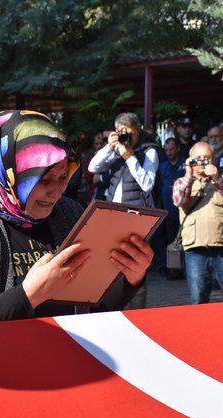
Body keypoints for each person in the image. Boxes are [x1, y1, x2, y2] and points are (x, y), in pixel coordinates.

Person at [0, 110, 153, 323]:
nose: (57, 191)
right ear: (7, 172)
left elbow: (95, 307)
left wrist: (132, 277)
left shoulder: (70, 213)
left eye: (63, 177)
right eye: (43, 179)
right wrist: (29, 295)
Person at [88, 112, 160, 309]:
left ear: (139, 132)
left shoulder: (148, 151)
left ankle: (137, 312)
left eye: (130, 133)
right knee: (111, 264)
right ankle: (112, 307)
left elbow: (147, 184)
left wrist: (130, 157)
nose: (126, 137)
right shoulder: (115, 149)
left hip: (138, 219)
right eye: (121, 132)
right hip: (113, 217)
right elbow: (93, 167)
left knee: (136, 268)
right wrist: (109, 146)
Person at [172, 142, 223, 304]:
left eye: (207, 158)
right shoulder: (181, 182)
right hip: (195, 248)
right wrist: (189, 175)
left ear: (214, 159)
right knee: (198, 298)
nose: (203, 162)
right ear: (190, 161)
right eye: (198, 159)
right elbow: (179, 200)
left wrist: (217, 179)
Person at [158, 137, 186, 279]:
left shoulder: (186, 164)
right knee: (171, 241)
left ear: (178, 149)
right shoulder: (162, 166)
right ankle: (174, 270)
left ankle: (186, 270)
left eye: (171, 149)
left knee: (185, 241)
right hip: (168, 211)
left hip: (184, 210)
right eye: (166, 150)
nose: (169, 152)